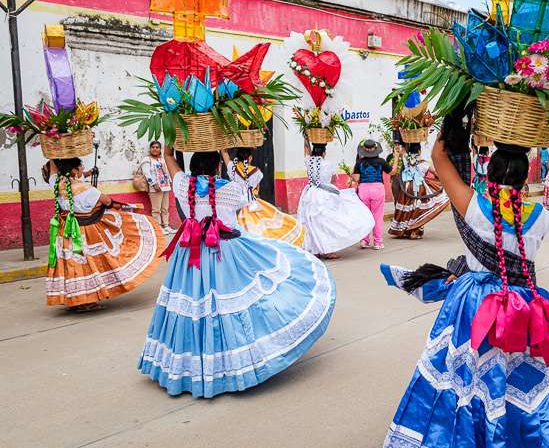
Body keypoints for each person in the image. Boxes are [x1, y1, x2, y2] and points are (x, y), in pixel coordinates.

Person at [379, 123, 549, 447]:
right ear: (524, 177)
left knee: (469, 376)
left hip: (475, 306)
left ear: (489, 173)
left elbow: (439, 156)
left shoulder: (475, 208)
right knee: (523, 372)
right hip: (523, 305)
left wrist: (455, 118)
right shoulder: (542, 216)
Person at [138, 148, 336, 397]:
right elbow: (238, 214)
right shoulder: (231, 189)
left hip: (190, 254)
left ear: (193, 165)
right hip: (224, 251)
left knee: (192, 306)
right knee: (230, 304)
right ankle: (232, 366)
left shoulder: (182, 185)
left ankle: (188, 369)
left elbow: (169, 159)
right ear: (218, 167)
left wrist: (169, 144)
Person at [46, 157, 164, 312]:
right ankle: (86, 301)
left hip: (65, 231)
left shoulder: (56, 183)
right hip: (86, 231)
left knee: (71, 263)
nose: (82, 169)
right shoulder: (87, 189)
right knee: (88, 263)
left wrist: (54, 152)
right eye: (81, 167)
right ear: (74, 170)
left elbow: (53, 170)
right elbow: (107, 201)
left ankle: (75, 300)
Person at [297, 142, 374, 259]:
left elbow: (306, 152)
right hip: (326, 196)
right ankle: (328, 250)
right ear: (324, 153)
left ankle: (315, 249)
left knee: (312, 223)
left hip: (311, 195)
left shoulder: (309, 162)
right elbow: (332, 181)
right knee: (328, 223)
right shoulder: (328, 164)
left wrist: (305, 140)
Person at [221, 147, 304, 246]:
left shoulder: (232, 168)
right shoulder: (256, 171)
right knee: (262, 229)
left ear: (237, 157)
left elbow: (224, 153)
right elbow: (256, 190)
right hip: (252, 205)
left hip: (236, 206)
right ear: (250, 158)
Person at [388, 142, 451, 239]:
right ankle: (414, 232)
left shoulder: (406, 159)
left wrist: (400, 143)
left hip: (407, 186)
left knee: (408, 208)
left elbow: (403, 151)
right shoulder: (423, 163)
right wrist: (445, 179)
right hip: (418, 187)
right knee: (417, 209)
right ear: (419, 151)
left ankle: (405, 230)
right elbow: (435, 172)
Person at [352, 139, 394, 250]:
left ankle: (364, 241)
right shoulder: (381, 161)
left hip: (364, 189)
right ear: (375, 149)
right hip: (377, 189)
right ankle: (377, 243)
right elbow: (392, 172)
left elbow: (356, 178)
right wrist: (396, 158)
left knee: (365, 215)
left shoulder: (359, 162)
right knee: (377, 216)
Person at [141, 141, 174, 234]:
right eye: (153, 147)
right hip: (155, 188)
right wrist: (154, 184)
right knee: (156, 209)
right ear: (150, 148)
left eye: (157, 147)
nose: (155, 149)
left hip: (165, 187)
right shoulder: (147, 160)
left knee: (165, 208)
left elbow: (167, 171)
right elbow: (147, 174)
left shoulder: (162, 159)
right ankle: (158, 226)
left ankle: (166, 225)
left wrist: (170, 182)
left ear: (160, 149)